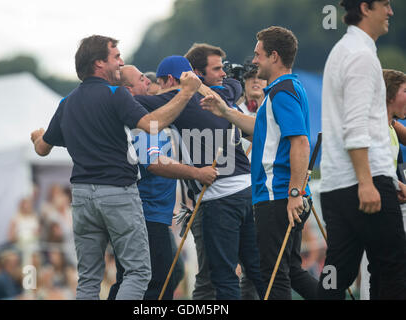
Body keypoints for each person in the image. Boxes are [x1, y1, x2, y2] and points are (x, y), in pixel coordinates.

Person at [30, 35, 201, 300]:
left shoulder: (66, 103)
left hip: (82, 197)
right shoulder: (115, 93)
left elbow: (42, 148)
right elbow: (152, 125)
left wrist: (36, 137)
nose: (121, 62)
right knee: (138, 273)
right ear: (99, 63)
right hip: (117, 193)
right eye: (116, 56)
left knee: (88, 280)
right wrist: (187, 93)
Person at [201, 26, 318, 300]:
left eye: (258, 55)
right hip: (282, 196)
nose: (253, 61)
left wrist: (294, 193)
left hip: (278, 196)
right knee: (290, 270)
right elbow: (261, 128)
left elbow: (300, 142)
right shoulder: (283, 88)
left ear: (274, 56)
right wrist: (225, 111)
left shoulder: (281, 92)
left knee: (273, 276)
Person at [136, 55, 265, 300]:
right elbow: (234, 84)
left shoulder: (175, 95)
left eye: (161, 83)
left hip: (220, 196)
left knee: (224, 277)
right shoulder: (224, 93)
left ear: (170, 80)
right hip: (248, 191)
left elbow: (131, 102)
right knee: (257, 270)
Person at [318, 0, 406, 299]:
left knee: (335, 276)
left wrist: (388, 183)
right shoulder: (360, 56)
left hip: (336, 186)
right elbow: (355, 126)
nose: (391, 12)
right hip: (364, 184)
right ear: (366, 7)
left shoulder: (342, 51)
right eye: (385, 4)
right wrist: (369, 183)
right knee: (393, 270)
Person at [108, 64, 217, 300]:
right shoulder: (144, 123)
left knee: (158, 276)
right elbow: (154, 162)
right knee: (157, 283)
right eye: (141, 79)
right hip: (146, 215)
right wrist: (197, 173)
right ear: (128, 90)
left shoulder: (150, 120)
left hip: (152, 215)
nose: (148, 81)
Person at [360, 69, 406, 299]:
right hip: (376, 206)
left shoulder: (390, 125)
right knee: (379, 269)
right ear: (389, 96)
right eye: (405, 91)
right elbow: (370, 166)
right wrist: (398, 185)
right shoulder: (373, 126)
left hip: (391, 204)